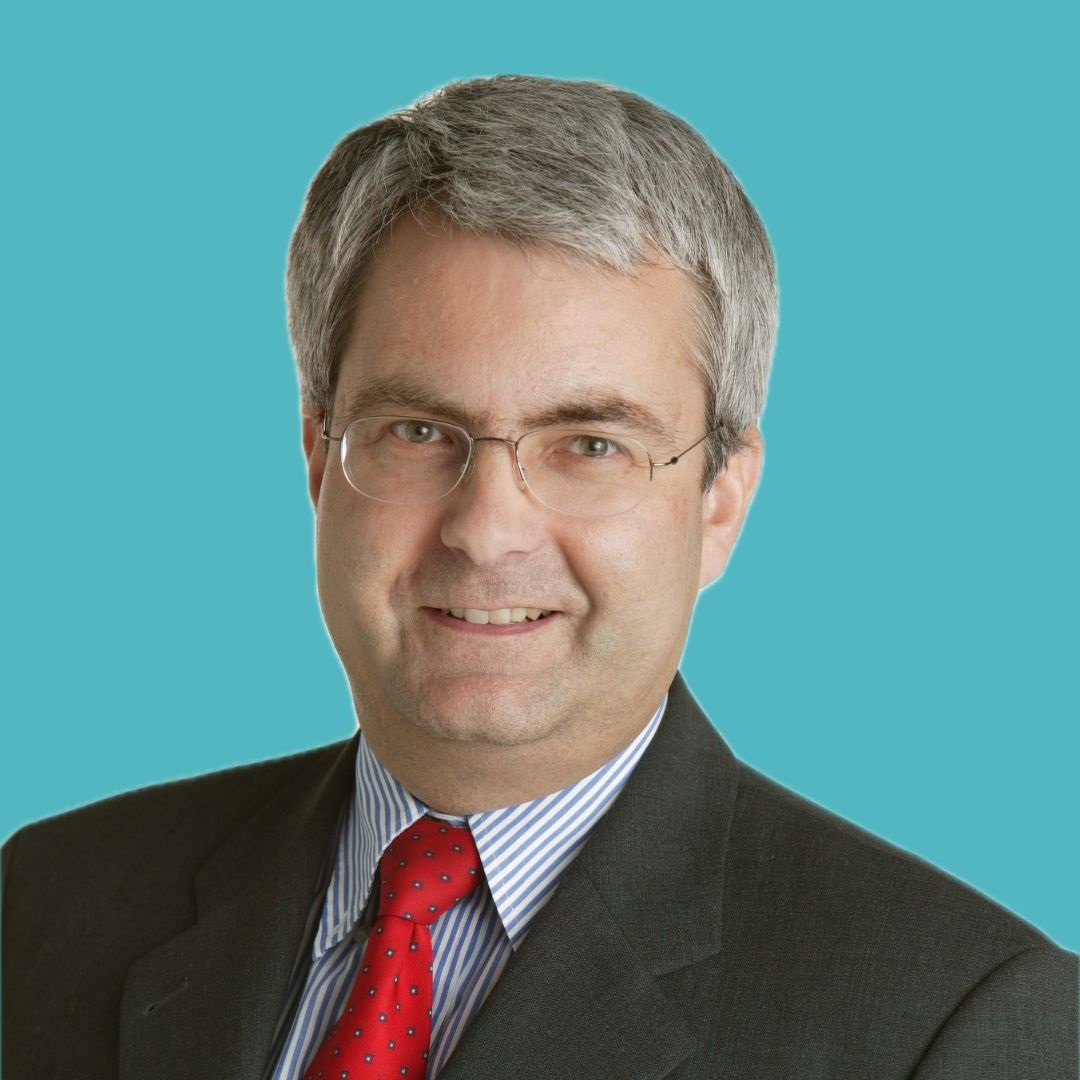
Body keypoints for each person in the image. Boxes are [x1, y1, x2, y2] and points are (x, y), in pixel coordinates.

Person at [2, 75, 1075, 1080]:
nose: (486, 530)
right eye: (417, 430)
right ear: (319, 458)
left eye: (591, 444)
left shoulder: (960, 1026)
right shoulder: (48, 902)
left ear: (720, 500)